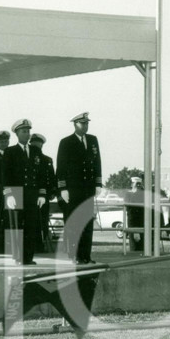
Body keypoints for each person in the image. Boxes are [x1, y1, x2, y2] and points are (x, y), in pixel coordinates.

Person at [56, 111, 103, 265]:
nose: (85, 126)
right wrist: (63, 188)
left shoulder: (93, 140)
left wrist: (98, 183)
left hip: (87, 189)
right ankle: (74, 255)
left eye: (87, 123)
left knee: (87, 224)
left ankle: (85, 256)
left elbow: (97, 162)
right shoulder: (66, 142)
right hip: (73, 189)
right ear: (75, 125)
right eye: (82, 123)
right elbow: (61, 167)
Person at [2, 118, 47, 266]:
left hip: (32, 193)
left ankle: (28, 257)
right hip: (15, 192)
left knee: (30, 226)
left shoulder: (36, 151)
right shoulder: (10, 152)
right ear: (17, 134)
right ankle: (18, 257)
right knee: (17, 227)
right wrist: (9, 194)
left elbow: (41, 174)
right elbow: (5, 175)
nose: (27, 134)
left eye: (28, 131)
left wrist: (42, 194)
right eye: (23, 131)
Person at [28, 133, 57, 254]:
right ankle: (31, 245)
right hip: (30, 195)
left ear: (42, 145)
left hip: (44, 195)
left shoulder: (47, 160)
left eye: (38, 144)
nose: (36, 146)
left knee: (43, 220)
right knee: (31, 220)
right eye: (33, 144)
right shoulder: (27, 158)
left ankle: (41, 243)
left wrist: (53, 191)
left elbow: (52, 177)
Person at [125, 176, 147, 252]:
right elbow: (131, 213)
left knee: (144, 249)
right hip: (134, 225)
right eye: (136, 184)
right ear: (131, 184)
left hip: (144, 225)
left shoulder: (144, 195)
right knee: (135, 249)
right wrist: (135, 230)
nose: (138, 186)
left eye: (139, 184)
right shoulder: (129, 195)